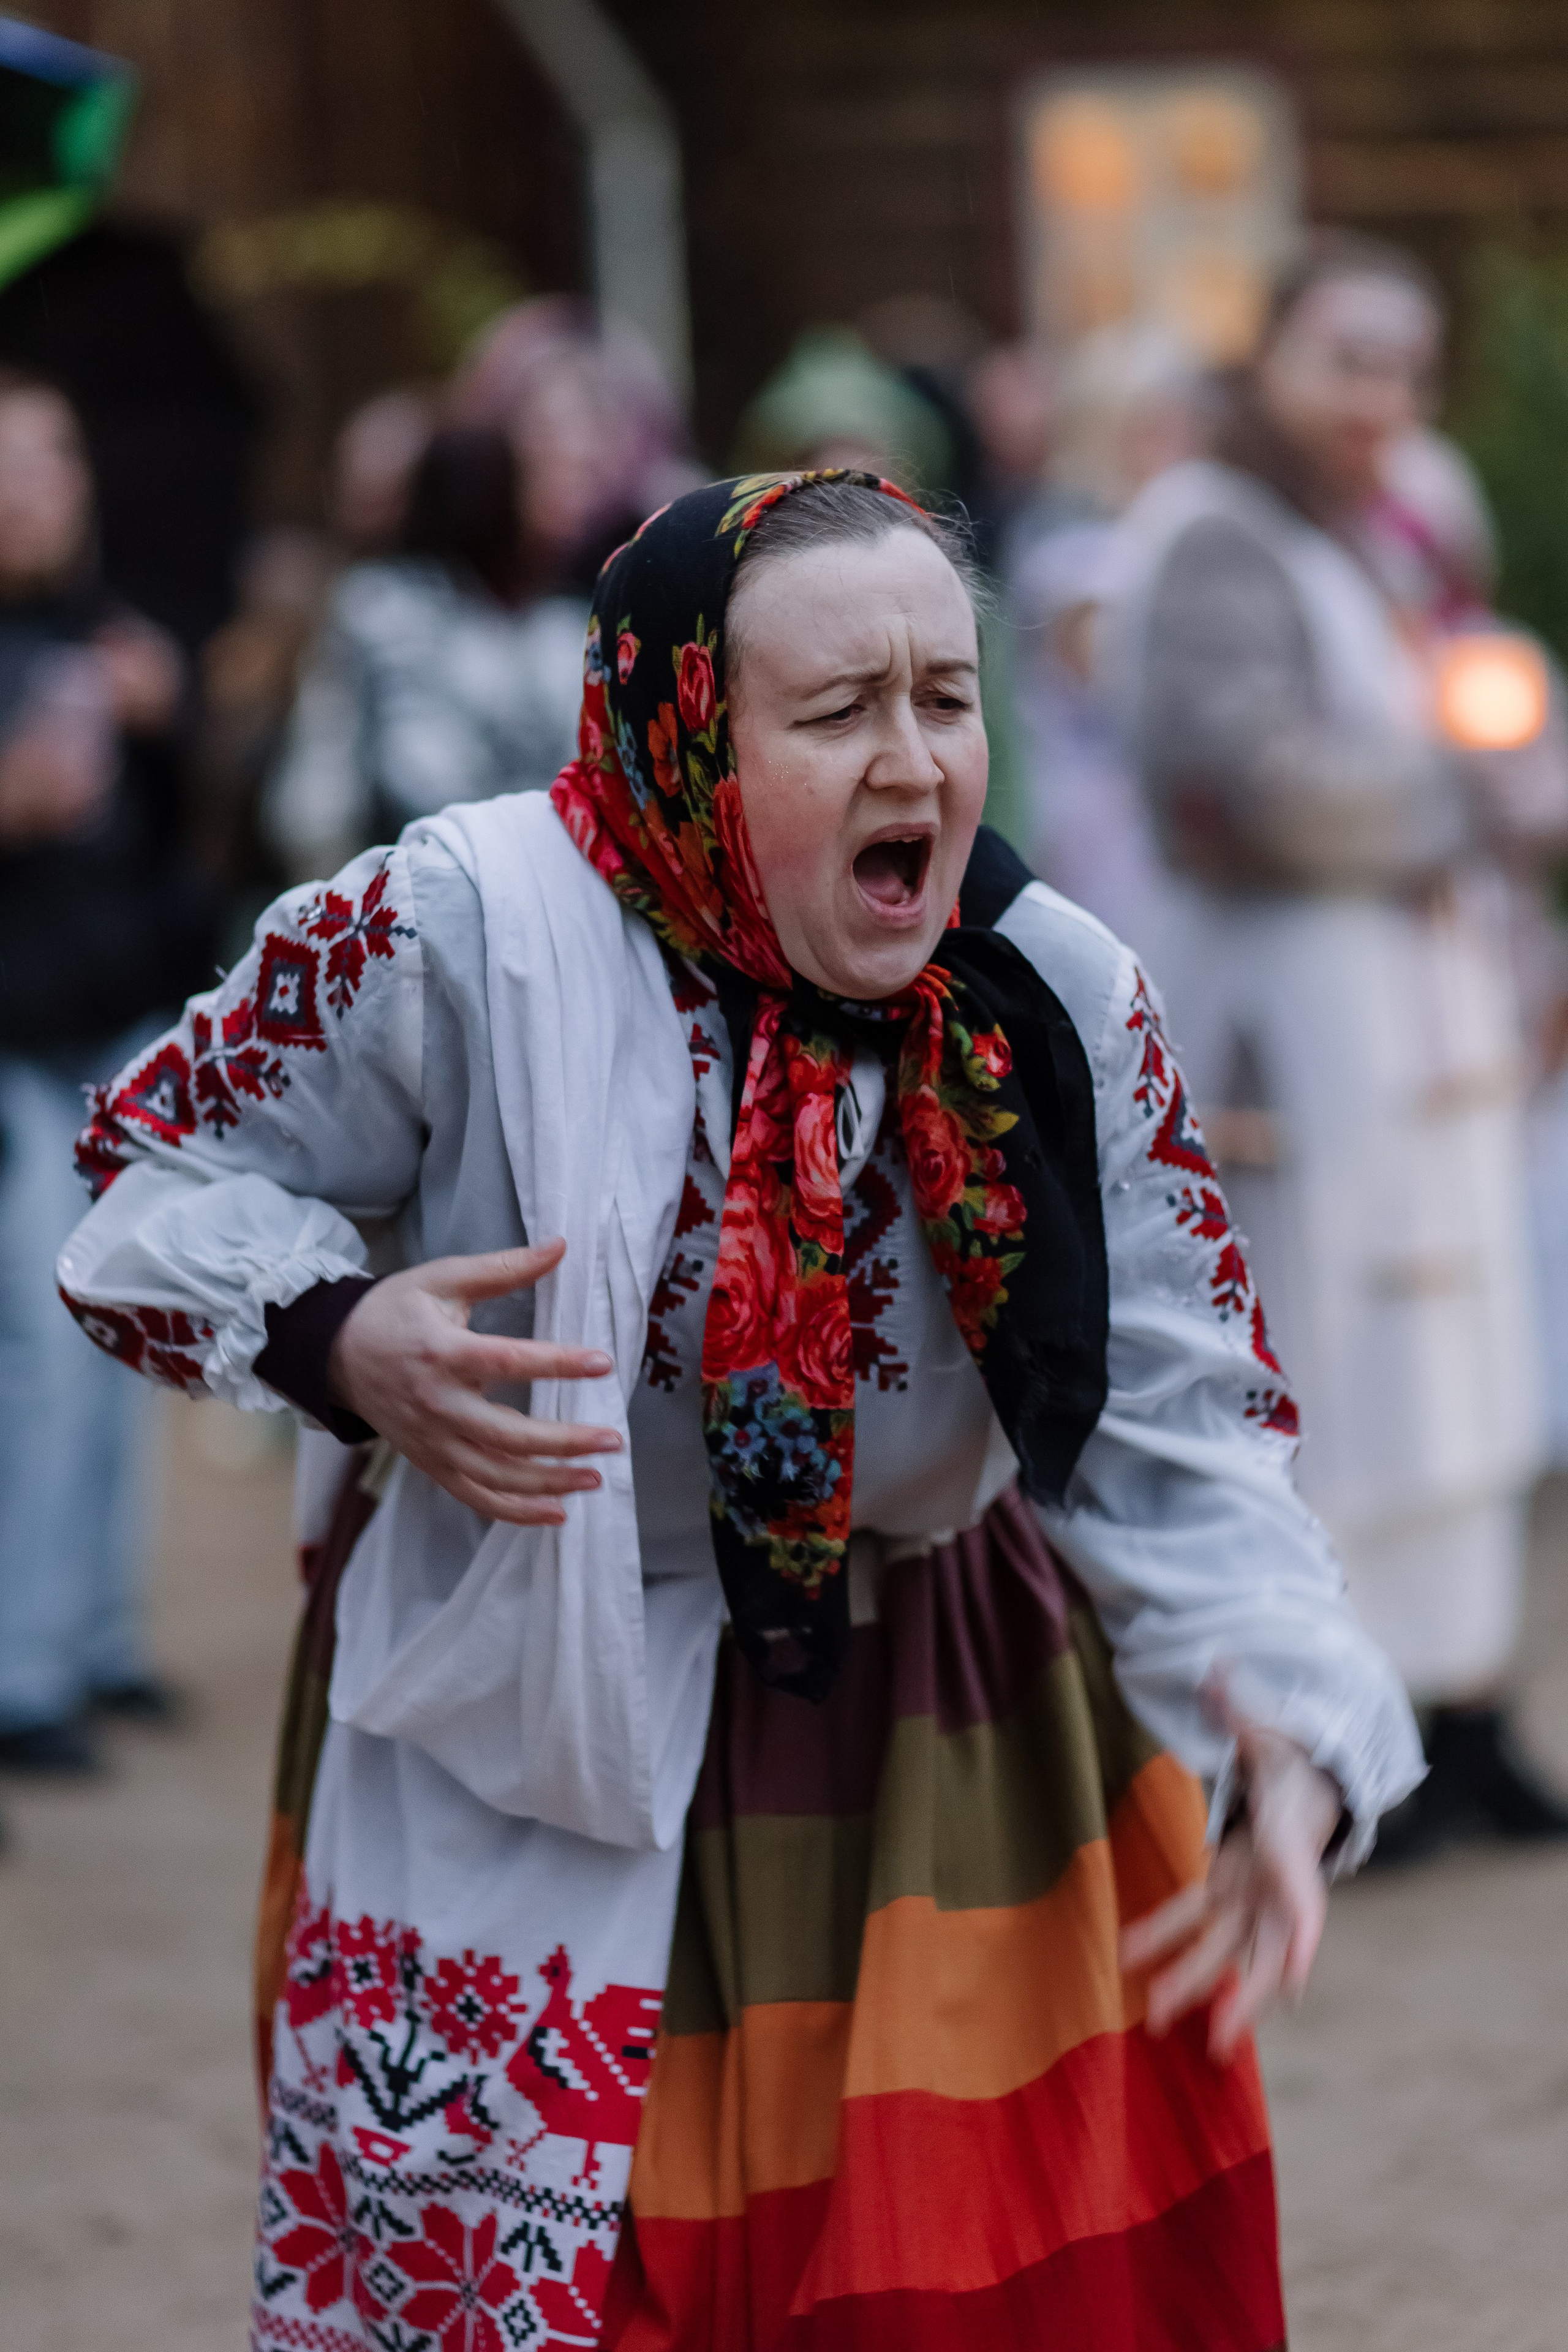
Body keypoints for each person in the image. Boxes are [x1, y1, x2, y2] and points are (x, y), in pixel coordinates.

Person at [59, 471, 1419, 2345]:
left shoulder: (1049, 995)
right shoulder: (461, 929)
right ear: (684, 719)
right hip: (525, 1686)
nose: (916, 761)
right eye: (837, 710)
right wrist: (339, 1332)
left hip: (941, 1724)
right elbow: (151, 1177)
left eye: (943, 697)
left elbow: (1181, 1421)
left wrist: (1290, 1719)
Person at [1103, 235, 1568, 1857]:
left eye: (1406, 366)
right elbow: (1246, 787)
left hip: (1429, 1009)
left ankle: (1461, 1703)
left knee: (1464, 1359)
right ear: (1272, 361)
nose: (1384, 400)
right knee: (1323, 1371)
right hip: (1293, 1032)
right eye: (1348, 361)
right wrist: (1468, 795)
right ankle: (1313, 1736)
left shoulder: (1410, 516)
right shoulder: (1211, 533)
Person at [0, 369, 218, 1774]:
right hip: (11, 1044)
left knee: (136, 1328)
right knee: (39, 1337)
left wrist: (171, 726)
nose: (31, 483)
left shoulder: (111, 632)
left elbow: (190, 841)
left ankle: (95, 1636)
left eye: (49, 453)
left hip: (119, 1032)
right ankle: (20, 1671)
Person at [263, 422, 588, 881]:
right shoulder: (382, 611)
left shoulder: (564, 629)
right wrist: (338, 902)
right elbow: (321, 780)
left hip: (546, 895)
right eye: (534, 480)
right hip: (403, 897)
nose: (552, 499)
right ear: (492, 497)